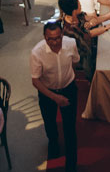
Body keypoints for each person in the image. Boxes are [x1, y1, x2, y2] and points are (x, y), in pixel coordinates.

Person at [30, 22, 79, 172]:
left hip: (68, 88)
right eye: (50, 39)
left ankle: (71, 164)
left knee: (69, 126)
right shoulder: (37, 53)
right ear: (44, 37)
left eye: (57, 38)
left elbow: (75, 63)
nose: (54, 42)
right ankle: (54, 145)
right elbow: (35, 81)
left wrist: (68, 80)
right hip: (47, 92)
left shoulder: (71, 44)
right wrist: (54, 97)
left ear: (62, 35)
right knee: (50, 123)